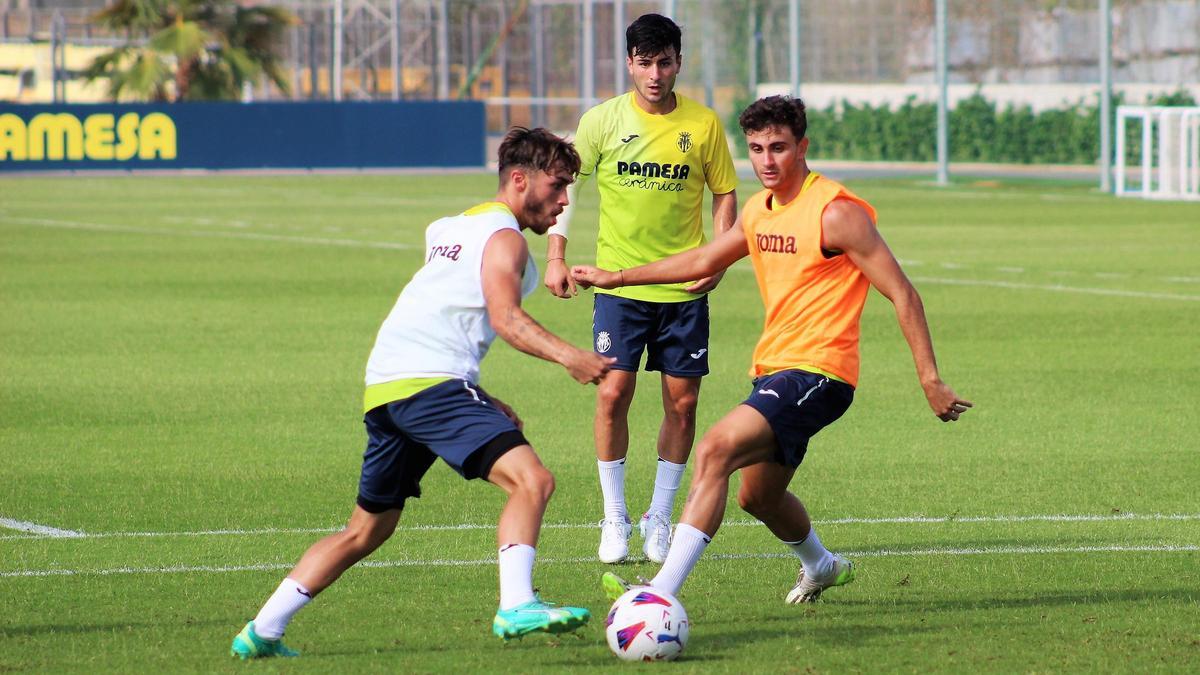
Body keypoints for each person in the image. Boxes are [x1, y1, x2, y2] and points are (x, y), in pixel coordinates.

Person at [229, 127, 616, 660]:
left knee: (365, 531)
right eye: (557, 185)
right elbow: (505, 319)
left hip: (389, 385)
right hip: (430, 384)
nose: (565, 200)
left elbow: (442, 314)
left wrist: (480, 396)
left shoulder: (455, 226)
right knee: (533, 480)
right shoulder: (504, 238)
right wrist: (572, 356)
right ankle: (517, 604)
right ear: (519, 180)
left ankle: (261, 631)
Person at [571, 96, 972, 605]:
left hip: (821, 372)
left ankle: (659, 593)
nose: (767, 160)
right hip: (775, 369)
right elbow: (703, 258)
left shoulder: (836, 213)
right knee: (757, 496)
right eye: (757, 149)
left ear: (802, 147)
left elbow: (903, 293)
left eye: (779, 147)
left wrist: (930, 378)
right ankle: (822, 566)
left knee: (715, 448)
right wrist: (617, 277)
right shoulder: (759, 210)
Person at [542, 12, 739, 565]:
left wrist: (720, 258)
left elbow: (725, 193)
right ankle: (615, 516)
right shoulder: (601, 121)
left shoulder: (703, 125)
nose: (655, 74)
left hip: (683, 290)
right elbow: (565, 186)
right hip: (618, 286)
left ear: (679, 63)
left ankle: (659, 515)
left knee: (683, 403)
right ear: (629, 63)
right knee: (612, 394)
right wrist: (555, 255)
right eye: (646, 62)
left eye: (665, 63)